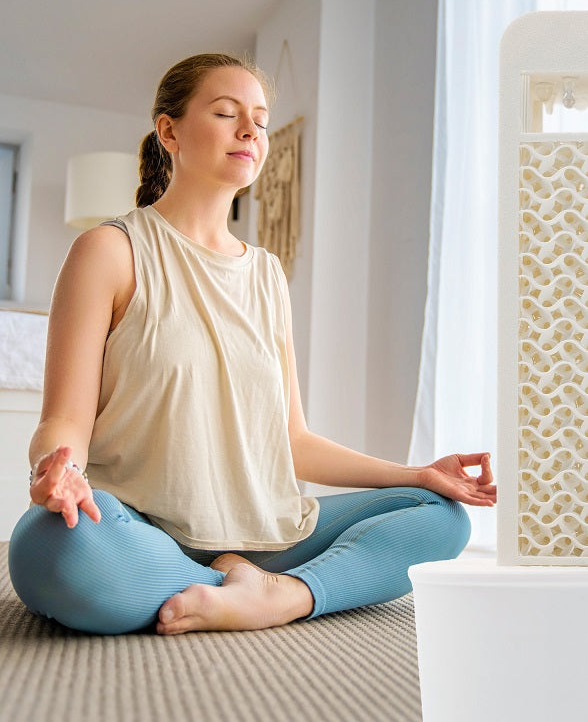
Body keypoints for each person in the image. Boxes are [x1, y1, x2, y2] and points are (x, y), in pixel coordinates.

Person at [8, 53, 496, 636]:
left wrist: (418, 474)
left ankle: (280, 595)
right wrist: (56, 469)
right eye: (225, 113)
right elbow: (64, 419)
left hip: (272, 535)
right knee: (46, 543)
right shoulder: (110, 251)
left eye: (261, 121)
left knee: (442, 519)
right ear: (169, 131)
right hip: (141, 530)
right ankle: (247, 588)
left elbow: (294, 443)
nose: (250, 132)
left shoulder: (267, 274)